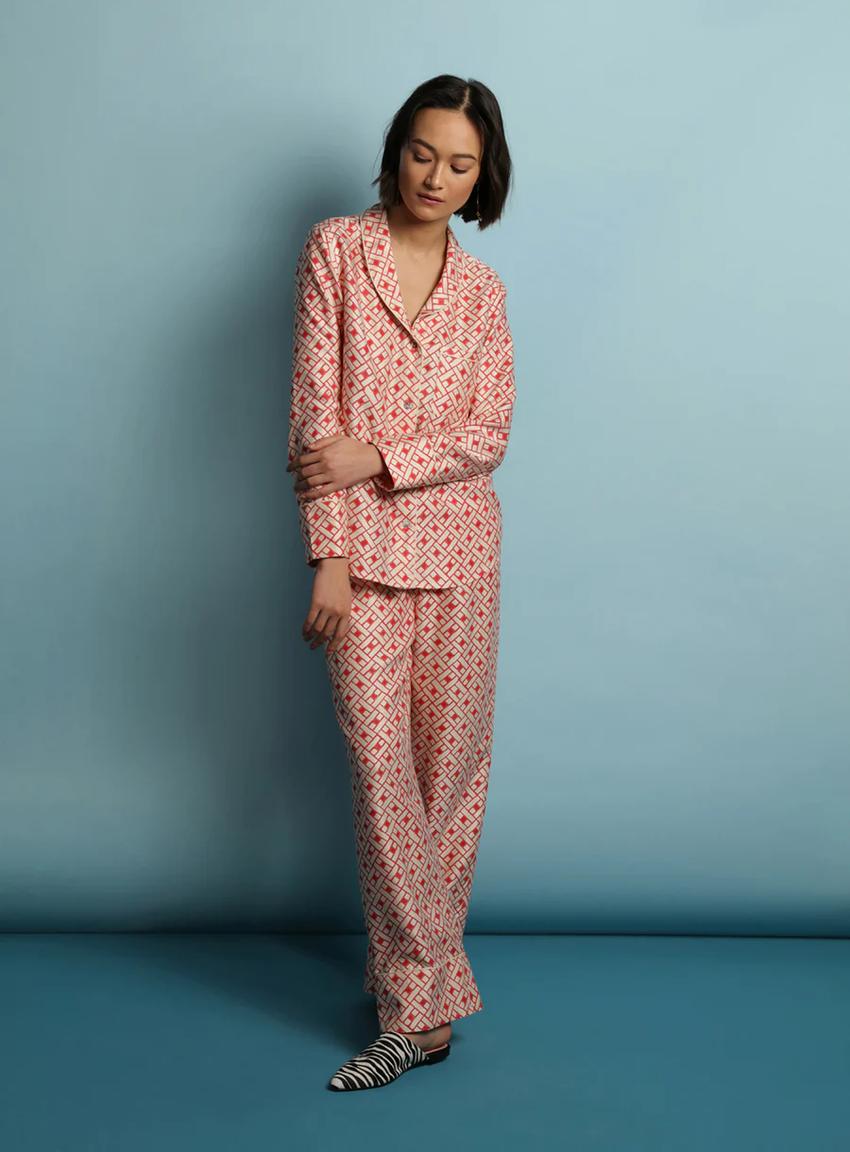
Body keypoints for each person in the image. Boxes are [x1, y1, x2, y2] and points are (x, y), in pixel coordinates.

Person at [286, 73, 515, 1091]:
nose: (436, 176)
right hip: (364, 568)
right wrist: (328, 557)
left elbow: (487, 435)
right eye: (423, 152)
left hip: (463, 558)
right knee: (384, 783)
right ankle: (423, 1010)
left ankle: (404, 995)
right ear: (397, 149)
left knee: (448, 789)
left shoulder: (484, 292)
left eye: (460, 163)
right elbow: (312, 418)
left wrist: (378, 455)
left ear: (482, 179)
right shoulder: (338, 249)